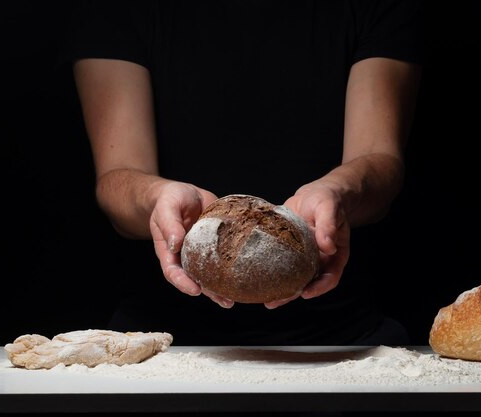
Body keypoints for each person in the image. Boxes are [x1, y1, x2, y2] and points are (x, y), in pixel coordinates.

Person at [62, 0, 424, 346]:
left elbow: (380, 159)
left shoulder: (371, 5)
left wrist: (337, 192)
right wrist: (159, 197)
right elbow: (117, 177)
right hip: (159, 338)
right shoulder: (119, 6)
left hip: (342, 335)